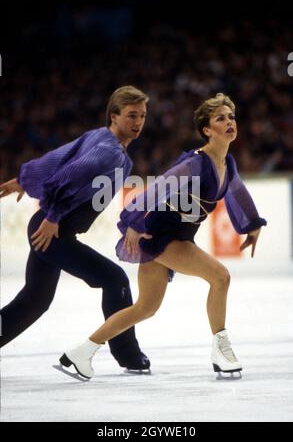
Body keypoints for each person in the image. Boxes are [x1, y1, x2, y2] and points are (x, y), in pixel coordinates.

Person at [60, 93, 267, 379]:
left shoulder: (226, 164)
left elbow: (238, 194)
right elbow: (156, 189)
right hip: (160, 235)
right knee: (220, 277)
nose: (229, 122)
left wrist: (252, 224)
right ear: (207, 130)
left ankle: (79, 353)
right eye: (221, 118)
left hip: (175, 237)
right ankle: (221, 350)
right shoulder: (196, 163)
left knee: (145, 308)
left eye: (231, 117)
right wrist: (135, 222)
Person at [0, 85, 151, 373]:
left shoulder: (99, 137)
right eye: (132, 115)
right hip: (53, 229)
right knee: (114, 278)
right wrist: (54, 216)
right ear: (114, 116)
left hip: (51, 226)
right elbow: (70, 174)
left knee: (35, 299)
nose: (138, 122)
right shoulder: (111, 152)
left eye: (142, 115)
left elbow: (59, 156)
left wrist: (24, 179)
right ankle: (129, 356)